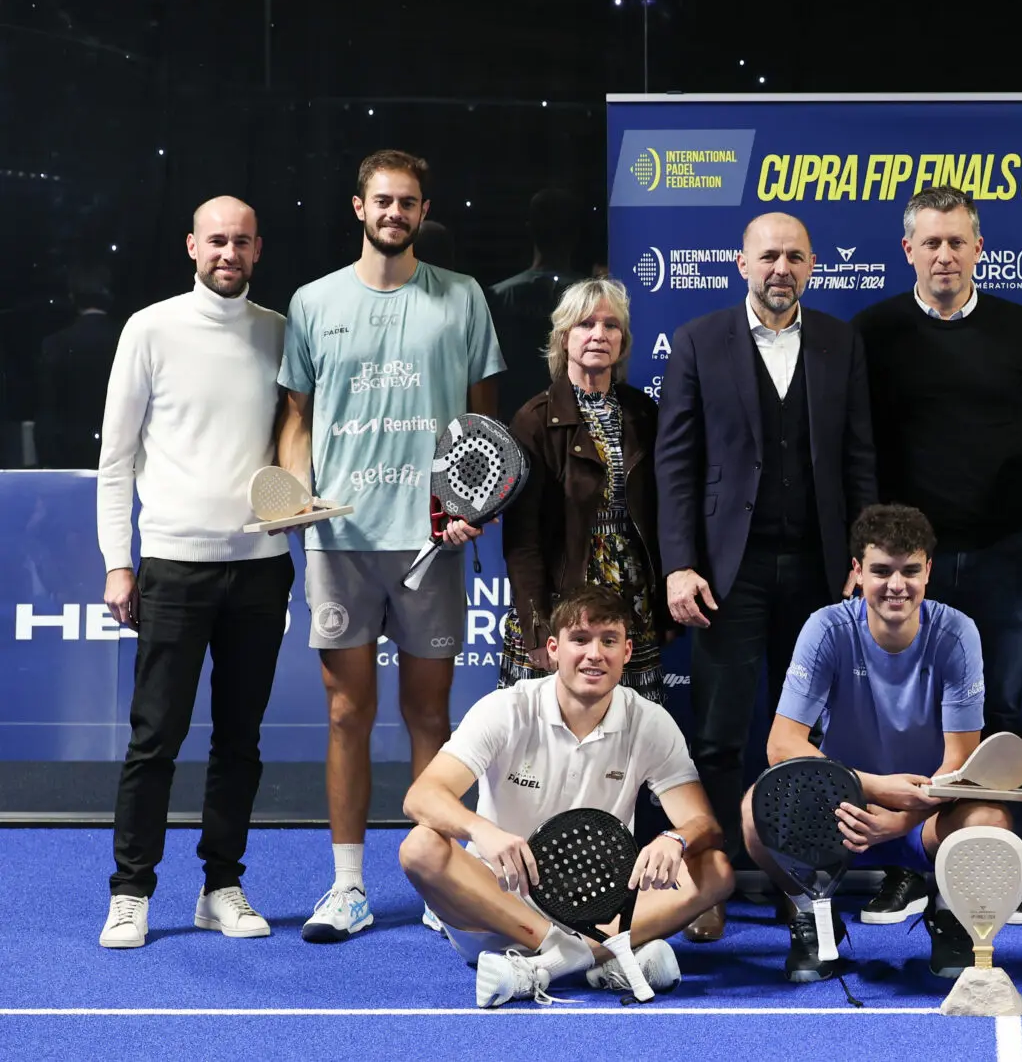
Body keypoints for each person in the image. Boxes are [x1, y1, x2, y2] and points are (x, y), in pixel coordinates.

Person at [276, 149, 505, 942]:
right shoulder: (312, 302)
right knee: (347, 713)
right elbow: (298, 419)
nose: (395, 213)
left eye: (408, 202)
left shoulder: (463, 298)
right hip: (339, 540)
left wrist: (469, 504)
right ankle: (346, 887)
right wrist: (292, 488)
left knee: (430, 716)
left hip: (434, 541)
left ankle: (438, 880)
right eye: (383, 200)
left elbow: (483, 419)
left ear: (421, 209)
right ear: (358, 206)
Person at [655, 212, 875, 941]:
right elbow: (676, 465)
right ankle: (710, 883)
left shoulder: (842, 342)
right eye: (768, 256)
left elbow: (859, 459)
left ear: (812, 265)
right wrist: (680, 564)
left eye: (794, 257)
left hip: (819, 572)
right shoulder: (697, 341)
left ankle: (801, 883)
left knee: (805, 739)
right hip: (728, 574)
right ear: (741, 263)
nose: (781, 268)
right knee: (717, 736)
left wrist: (861, 553)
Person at [852, 187, 1022, 925]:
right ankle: (906, 868)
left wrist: (998, 507)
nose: (945, 254)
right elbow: (860, 446)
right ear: (908, 250)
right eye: (930, 242)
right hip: (908, 570)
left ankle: (999, 864)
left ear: (979, 248)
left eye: (957, 241)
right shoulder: (873, 332)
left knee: (1000, 714)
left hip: (999, 553)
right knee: (902, 720)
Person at [94, 197, 293, 948]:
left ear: (258, 248)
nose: (228, 252)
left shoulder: (280, 332)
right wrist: (120, 562)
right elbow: (115, 461)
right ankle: (131, 889)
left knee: (239, 739)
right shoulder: (149, 329)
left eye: (242, 240)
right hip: (173, 568)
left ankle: (221, 884)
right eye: (217, 240)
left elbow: (298, 441)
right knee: (156, 738)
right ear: (191, 246)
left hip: (262, 571)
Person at [398, 586, 733, 1007]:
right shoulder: (507, 709)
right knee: (421, 846)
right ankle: (599, 959)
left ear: (627, 652)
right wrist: (482, 830)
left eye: (608, 640)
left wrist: (676, 838)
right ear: (553, 649)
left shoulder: (648, 721)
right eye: (580, 640)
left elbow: (705, 825)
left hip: (600, 906)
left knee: (714, 870)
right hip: (499, 906)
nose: (595, 654)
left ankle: (545, 968)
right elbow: (422, 796)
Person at [744, 504, 1014, 982]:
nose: (896, 585)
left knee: (990, 821)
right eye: (881, 571)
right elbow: (782, 746)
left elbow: (959, 763)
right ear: (857, 572)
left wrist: (902, 817)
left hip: (926, 816)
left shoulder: (956, 633)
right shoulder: (826, 628)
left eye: (910, 570)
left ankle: (950, 916)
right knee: (754, 810)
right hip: (841, 815)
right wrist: (873, 788)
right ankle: (814, 917)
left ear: (928, 570)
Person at [501, 277, 664, 699]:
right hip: (560, 602)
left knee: (628, 739)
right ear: (563, 337)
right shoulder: (535, 419)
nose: (598, 334)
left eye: (611, 326)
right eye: (585, 324)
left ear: (623, 341)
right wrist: (538, 626)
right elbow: (522, 539)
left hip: (631, 603)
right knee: (542, 745)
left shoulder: (643, 413)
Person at [491, 188, 583, 421]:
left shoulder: (498, 296)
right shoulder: (591, 299)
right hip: (540, 420)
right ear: (576, 232)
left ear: (529, 228)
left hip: (523, 419)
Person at [36, 259, 123, 469]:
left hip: (70, 453)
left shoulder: (55, 343)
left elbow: (47, 411)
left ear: (72, 297)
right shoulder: (127, 337)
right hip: (122, 449)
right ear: (109, 295)